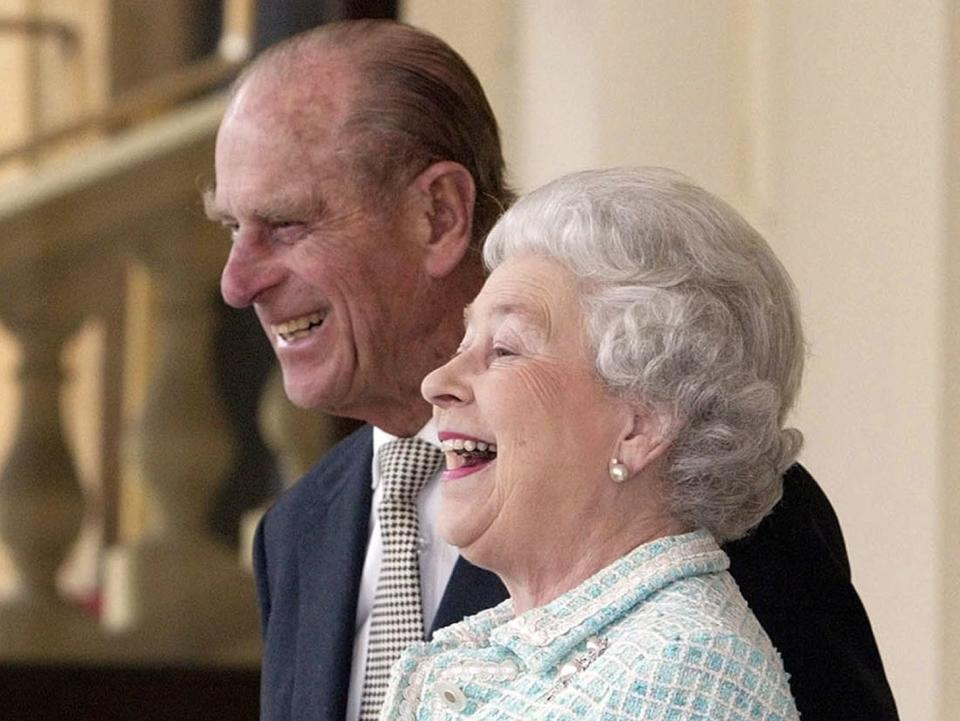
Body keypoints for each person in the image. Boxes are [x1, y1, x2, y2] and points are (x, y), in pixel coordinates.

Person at [206, 19, 898, 721]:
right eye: (231, 228)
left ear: (439, 215)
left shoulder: (709, 503)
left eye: (285, 224)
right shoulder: (295, 533)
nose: (236, 282)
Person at [390, 165, 802, 720]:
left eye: (506, 349)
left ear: (642, 424)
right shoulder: (530, 646)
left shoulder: (680, 679)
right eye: (465, 341)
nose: (436, 383)